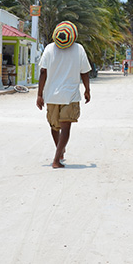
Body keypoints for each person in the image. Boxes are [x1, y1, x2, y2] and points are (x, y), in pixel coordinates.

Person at [36, 21, 91, 168]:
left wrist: (39, 95)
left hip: (52, 96)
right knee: (65, 128)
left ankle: (59, 151)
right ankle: (56, 159)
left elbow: (43, 72)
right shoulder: (78, 49)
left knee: (54, 127)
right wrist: (87, 90)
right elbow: (85, 72)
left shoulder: (48, 48)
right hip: (70, 96)